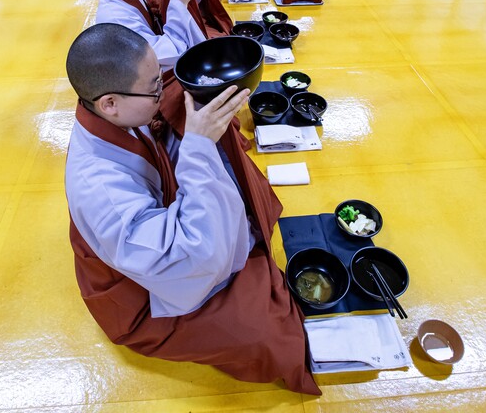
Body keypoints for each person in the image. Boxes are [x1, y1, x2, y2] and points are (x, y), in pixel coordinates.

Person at [64, 23, 320, 395]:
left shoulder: (112, 113)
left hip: (149, 235)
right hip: (140, 290)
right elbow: (188, 257)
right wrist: (198, 150)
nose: (162, 89)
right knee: (264, 335)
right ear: (109, 103)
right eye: (154, 86)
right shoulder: (99, 187)